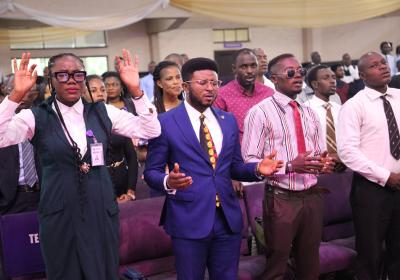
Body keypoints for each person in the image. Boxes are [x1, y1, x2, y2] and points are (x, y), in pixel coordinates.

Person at [0, 50, 160, 279]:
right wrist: (16, 95)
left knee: (102, 271)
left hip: (100, 208)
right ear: (51, 80)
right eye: (62, 75)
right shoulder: (36, 116)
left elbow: (151, 130)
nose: (71, 80)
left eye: (77, 74)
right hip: (59, 212)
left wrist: (136, 91)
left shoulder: (102, 111)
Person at [144, 57, 283, 280]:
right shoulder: (166, 122)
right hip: (189, 217)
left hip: (227, 219)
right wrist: (167, 182)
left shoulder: (227, 120)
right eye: (203, 83)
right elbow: (151, 172)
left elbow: (234, 167)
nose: (210, 88)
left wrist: (257, 169)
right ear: (186, 86)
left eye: (214, 83)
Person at [241, 53, 334, 280]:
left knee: (310, 263)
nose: (298, 76)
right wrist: (290, 166)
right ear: (274, 78)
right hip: (281, 198)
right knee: (277, 264)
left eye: (300, 71)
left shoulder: (309, 112)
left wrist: (323, 164)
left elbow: (319, 152)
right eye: (290, 72)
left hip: (312, 196)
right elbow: (249, 160)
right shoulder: (260, 112)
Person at [337, 51, 400, 280]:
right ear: (362, 75)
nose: (383, 67)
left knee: (397, 253)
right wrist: (385, 176)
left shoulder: (399, 96)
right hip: (371, 189)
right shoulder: (354, 106)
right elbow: (347, 152)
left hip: (399, 185)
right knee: (370, 255)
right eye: (375, 66)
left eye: (383, 62)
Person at [84, 75, 138, 201]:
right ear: (83, 93)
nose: (100, 94)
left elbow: (131, 158)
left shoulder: (117, 117)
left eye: (103, 90)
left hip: (123, 181)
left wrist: (130, 191)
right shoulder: (80, 122)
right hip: (96, 187)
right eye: (93, 90)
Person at [214, 48, 274, 143]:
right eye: (244, 67)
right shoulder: (222, 95)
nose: (249, 71)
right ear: (234, 69)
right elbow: (217, 130)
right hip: (236, 154)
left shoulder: (269, 93)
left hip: (268, 153)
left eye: (253, 66)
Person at [306, 65, 346, 171]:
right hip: (317, 167)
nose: (332, 81)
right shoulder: (305, 110)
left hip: (343, 166)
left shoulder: (340, 109)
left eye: (333, 77)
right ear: (315, 84)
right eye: (326, 78)